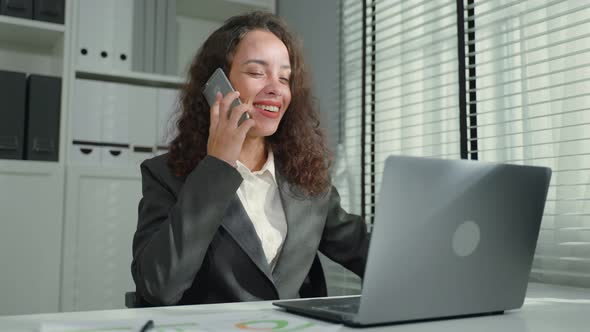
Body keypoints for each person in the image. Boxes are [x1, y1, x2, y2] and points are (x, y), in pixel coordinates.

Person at [131, 11, 369, 306]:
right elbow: (158, 286)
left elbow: (364, 251)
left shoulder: (304, 176)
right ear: (217, 86)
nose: (275, 88)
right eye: (257, 73)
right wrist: (218, 167)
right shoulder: (165, 175)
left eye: (284, 77)